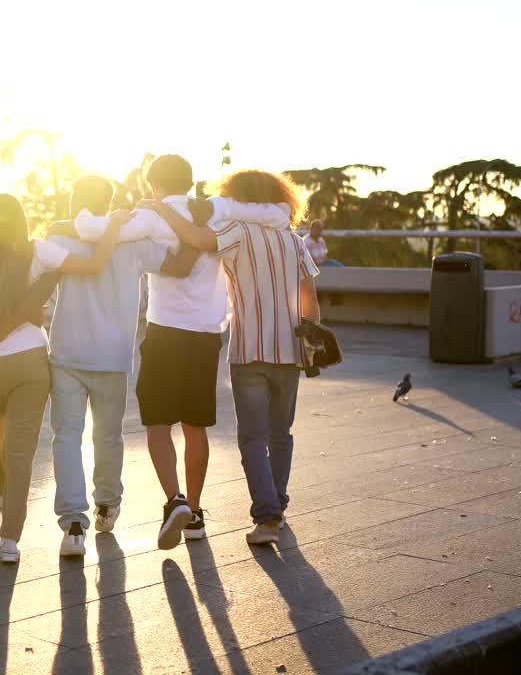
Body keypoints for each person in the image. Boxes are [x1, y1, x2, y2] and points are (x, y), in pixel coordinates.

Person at [71, 154, 290, 550]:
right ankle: (197, 515)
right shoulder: (218, 210)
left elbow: (90, 229)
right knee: (195, 426)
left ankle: (175, 500)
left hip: (166, 330)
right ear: (190, 182)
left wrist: (80, 220)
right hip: (207, 334)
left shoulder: (153, 215)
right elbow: (279, 213)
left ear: (153, 183)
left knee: (157, 423)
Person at [0, 193, 131, 564]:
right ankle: (9, 539)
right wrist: (111, 227)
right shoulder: (39, 250)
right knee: (18, 453)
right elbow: (95, 264)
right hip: (31, 360)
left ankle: (7, 518)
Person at [151, 169, 321, 546]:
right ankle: (277, 504)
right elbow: (310, 296)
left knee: (252, 438)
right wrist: (311, 342)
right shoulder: (294, 241)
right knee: (281, 434)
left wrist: (162, 210)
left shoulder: (237, 233)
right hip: (291, 348)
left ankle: (268, 516)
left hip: (250, 349)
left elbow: (194, 238)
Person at [44, 175, 202, 557]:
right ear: (110, 203)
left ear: (75, 202)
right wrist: (200, 230)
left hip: (66, 352)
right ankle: (107, 504)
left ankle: (73, 524)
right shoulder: (133, 244)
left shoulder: (61, 238)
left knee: (66, 434)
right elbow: (179, 266)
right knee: (108, 435)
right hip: (113, 355)